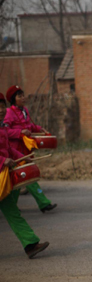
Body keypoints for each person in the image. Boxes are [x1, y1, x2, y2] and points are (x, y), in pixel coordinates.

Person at [0, 92, 49, 258]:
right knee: (12, 210)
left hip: (3, 177)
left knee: (12, 212)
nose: (1, 110)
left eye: (2, 106)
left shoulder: (2, 128)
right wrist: (2, 160)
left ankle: (30, 244)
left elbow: (8, 149)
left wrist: (21, 158)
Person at [3, 85, 57, 213]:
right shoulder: (9, 112)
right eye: (19, 96)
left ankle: (10, 207)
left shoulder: (25, 110)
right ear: (13, 99)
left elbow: (29, 125)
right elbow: (5, 131)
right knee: (28, 176)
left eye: (23, 95)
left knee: (20, 179)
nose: (23, 98)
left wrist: (39, 129)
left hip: (26, 149)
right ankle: (43, 203)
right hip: (15, 150)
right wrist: (20, 132)